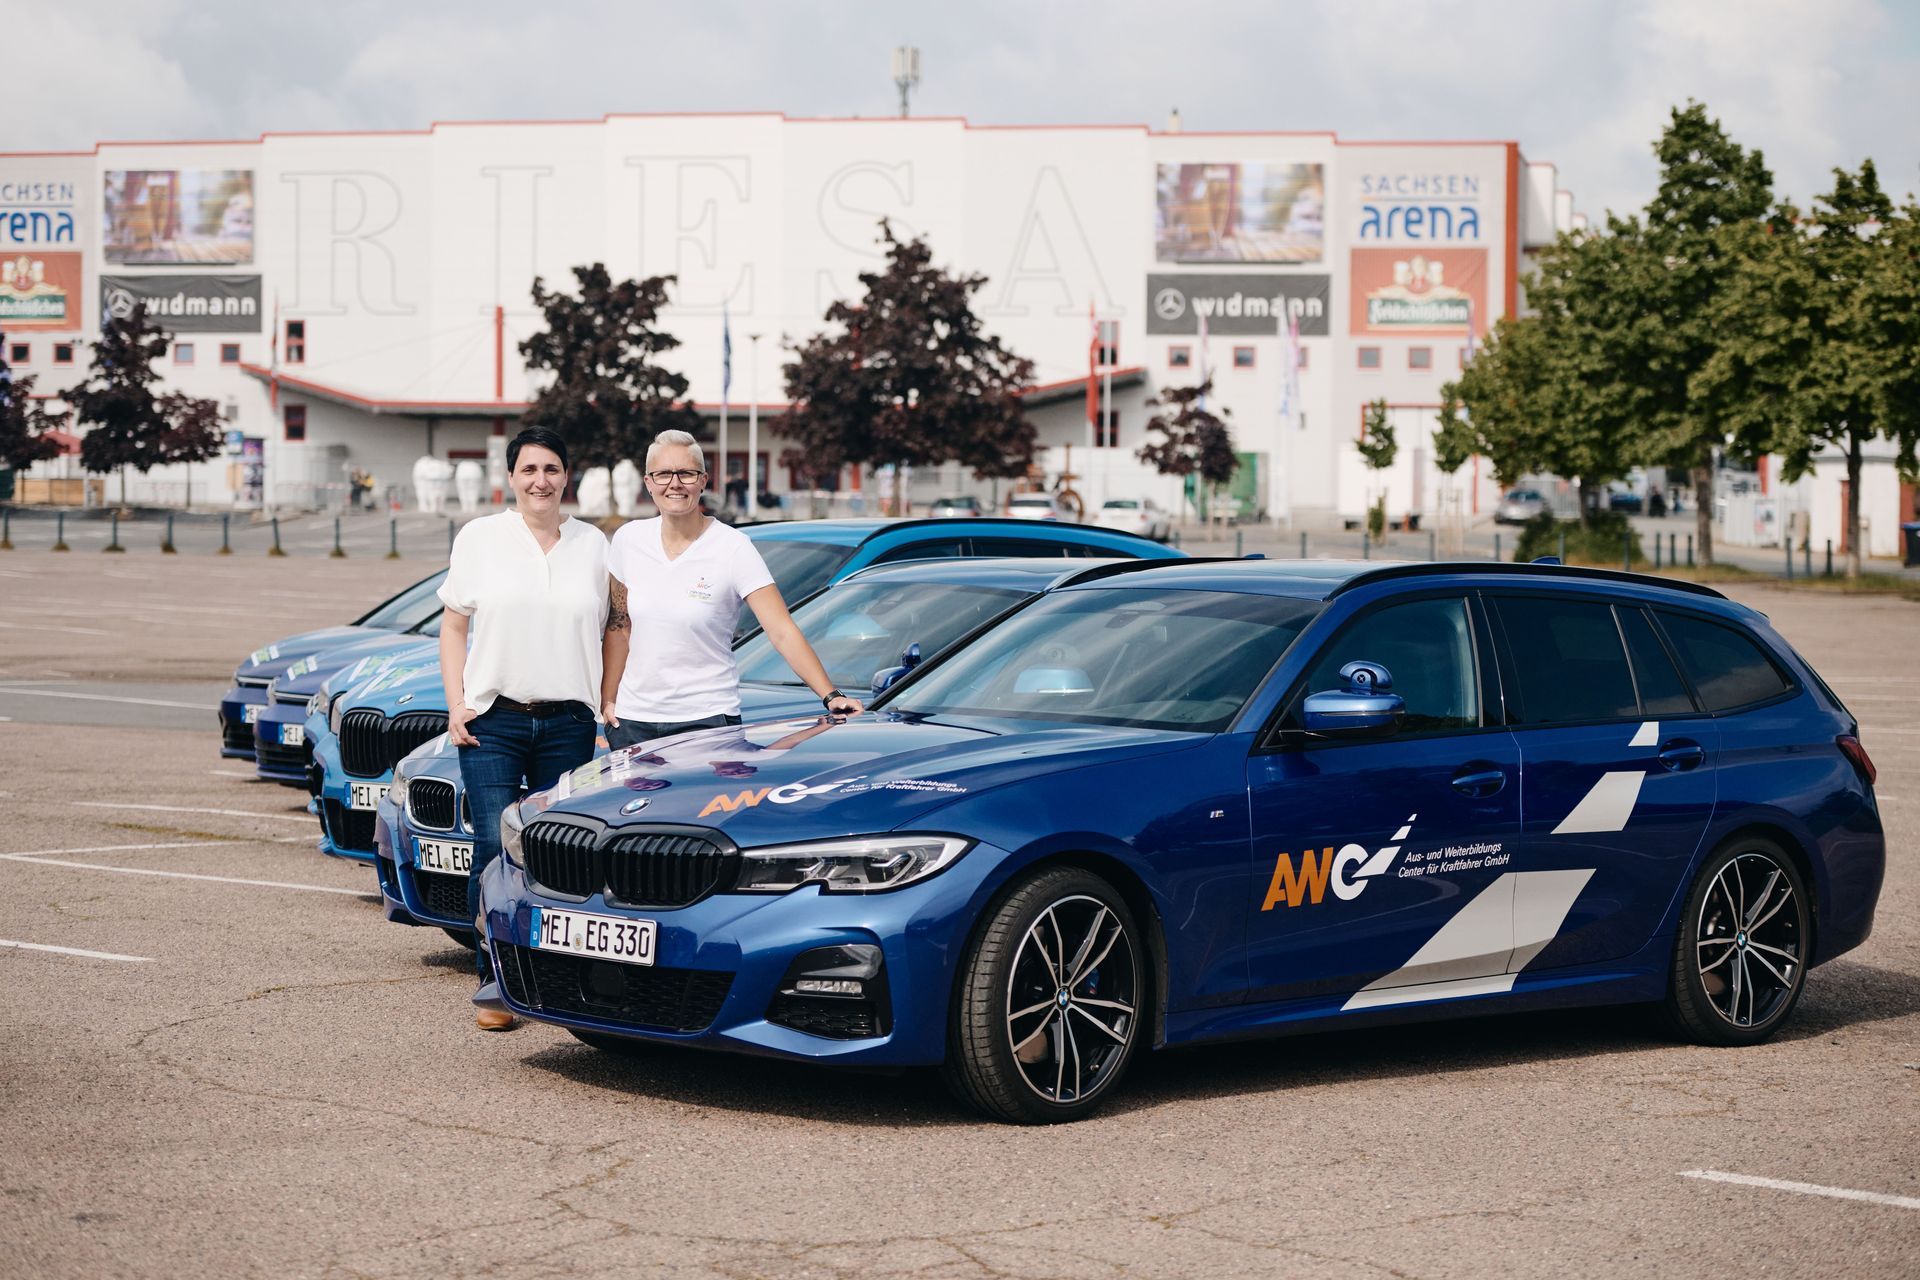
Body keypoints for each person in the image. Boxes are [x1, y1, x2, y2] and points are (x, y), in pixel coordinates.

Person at [438, 426, 607, 1032]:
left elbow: (619, 626)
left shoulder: (594, 545)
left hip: (568, 724)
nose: (542, 481)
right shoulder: (480, 538)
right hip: (494, 723)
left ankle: (553, 976)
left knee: (556, 856)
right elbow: (453, 626)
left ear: (568, 476)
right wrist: (456, 703)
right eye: (530, 469)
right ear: (511, 477)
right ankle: (494, 977)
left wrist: (607, 700)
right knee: (492, 848)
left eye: (553, 469)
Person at [602, 429, 862, 750]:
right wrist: (608, 699)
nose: (675, 483)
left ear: (703, 481)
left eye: (686, 473)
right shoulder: (629, 540)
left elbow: (780, 630)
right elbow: (619, 626)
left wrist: (830, 695)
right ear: (648, 482)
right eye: (663, 474)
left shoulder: (733, 547)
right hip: (632, 724)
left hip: (706, 722)